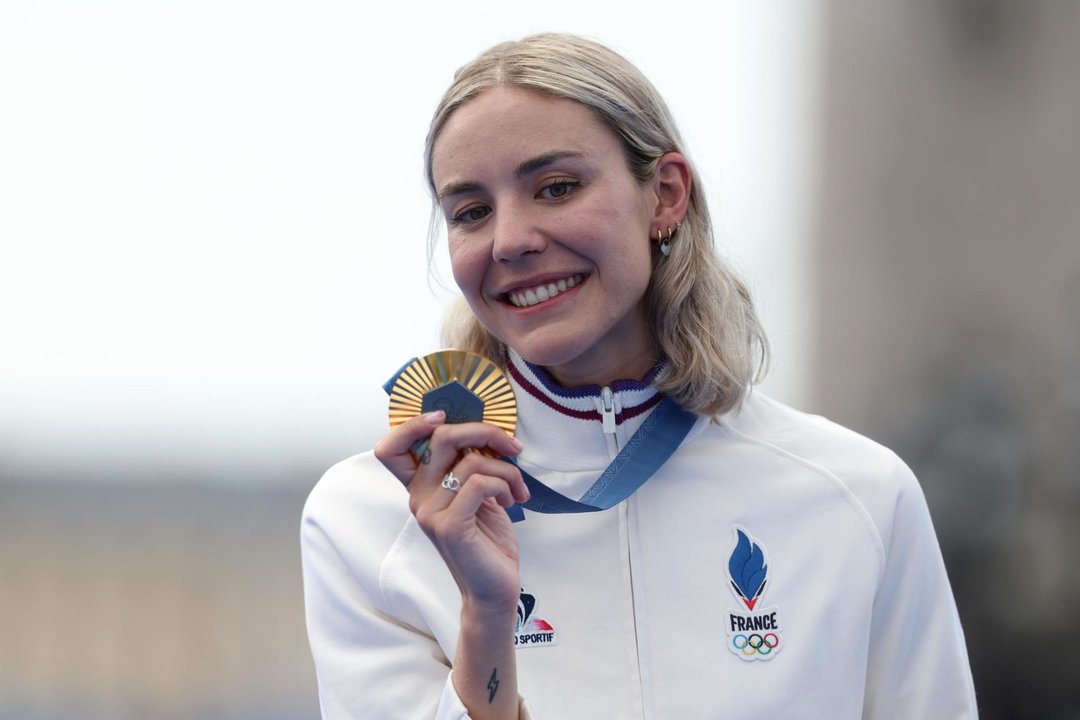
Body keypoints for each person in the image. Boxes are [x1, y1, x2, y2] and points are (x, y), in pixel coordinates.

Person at [301, 33, 978, 719]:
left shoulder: (857, 496)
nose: (510, 240)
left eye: (556, 187)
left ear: (665, 196)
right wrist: (484, 616)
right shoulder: (368, 521)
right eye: (471, 211)